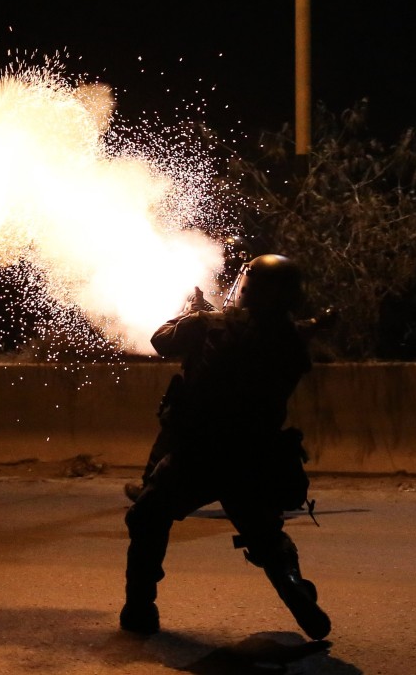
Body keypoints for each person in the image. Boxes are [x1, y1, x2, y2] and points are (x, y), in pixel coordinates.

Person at [119, 254, 331, 641]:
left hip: (200, 454)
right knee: (265, 537)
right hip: (256, 457)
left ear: (248, 287)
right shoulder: (291, 343)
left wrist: (189, 313)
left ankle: (139, 609)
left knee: (147, 518)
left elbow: (160, 340)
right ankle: (293, 584)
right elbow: (272, 334)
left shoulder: (208, 326)